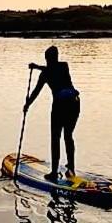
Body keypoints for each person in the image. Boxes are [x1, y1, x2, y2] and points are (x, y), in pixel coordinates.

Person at [24, 46, 80, 181]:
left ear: (47, 58)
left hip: (61, 105)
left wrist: (27, 105)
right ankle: (70, 168)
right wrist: (28, 103)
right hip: (75, 102)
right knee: (68, 136)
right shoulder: (62, 67)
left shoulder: (50, 72)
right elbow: (38, 88)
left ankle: (55, 172)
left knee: (56, 138)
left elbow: (37, 90)